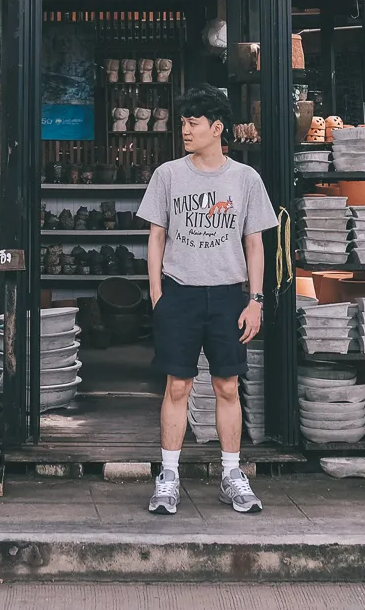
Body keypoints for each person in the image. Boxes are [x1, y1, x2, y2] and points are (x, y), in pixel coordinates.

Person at [138, 84, 278, 516]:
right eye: (183, 123)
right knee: (177, 385)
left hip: (228, 295)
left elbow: (255, 243)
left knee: (227, 386)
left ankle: (232, 475)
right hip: (179, 293)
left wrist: (255, 300)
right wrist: (157, 294)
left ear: (217, 128)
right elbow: (156, 236)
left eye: (193, 123)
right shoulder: (168, 175)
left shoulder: (245, 179)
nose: (185, 130)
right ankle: (168, 476)